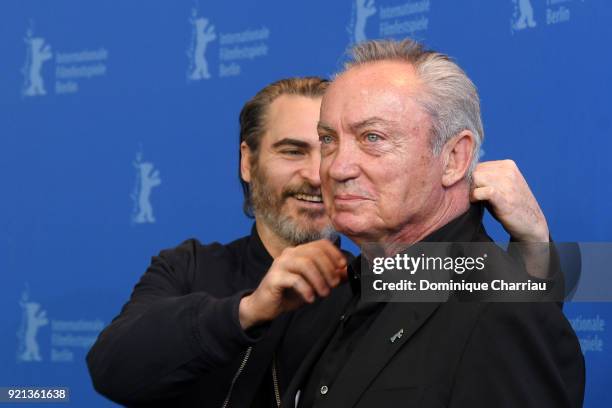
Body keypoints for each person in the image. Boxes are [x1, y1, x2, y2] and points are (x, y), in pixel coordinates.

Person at [87, 77, 562, 407]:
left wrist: (536, 246)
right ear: (247, 162)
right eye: (294, 150)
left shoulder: (371, 278)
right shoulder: (189, 268)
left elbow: (495, 301)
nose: (322, 173)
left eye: (331, 146)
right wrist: (248, 311)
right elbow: (113, 369)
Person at [283, 40, 584, 408]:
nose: (337, 167)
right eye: (328, 139)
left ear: (454, 158)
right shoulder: (336, 293)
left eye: (372, 138)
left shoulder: (502, 313)